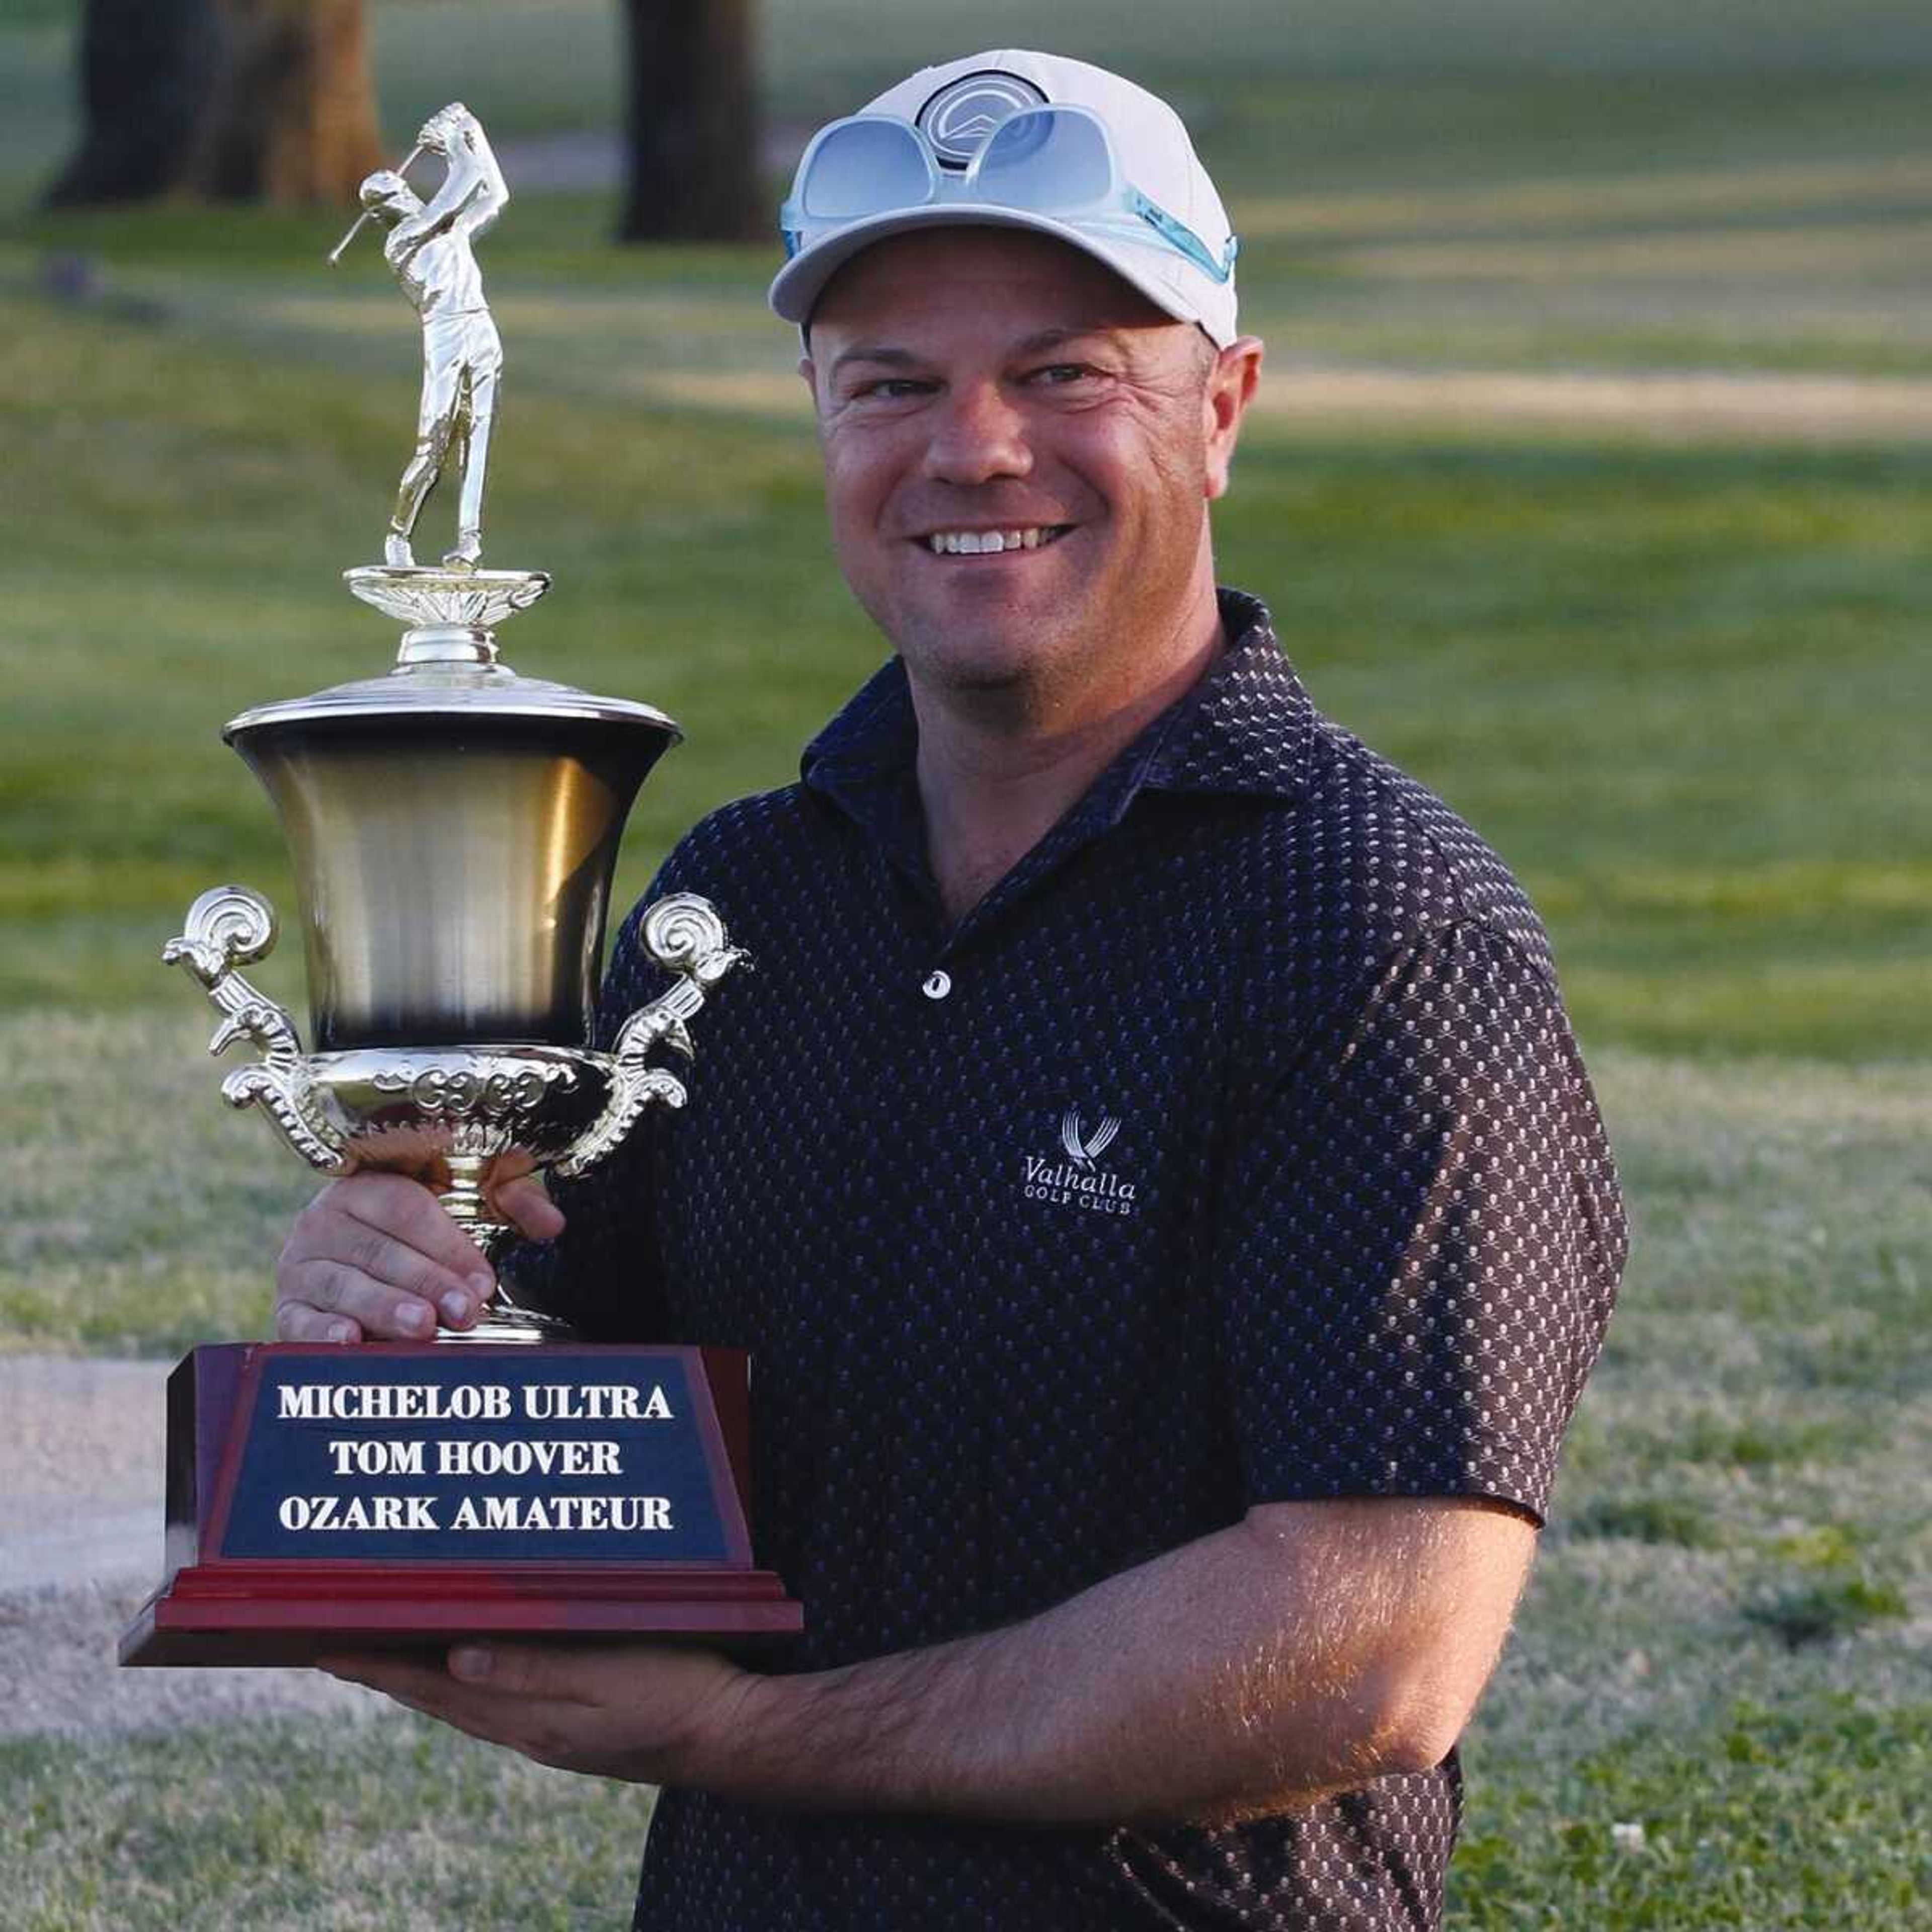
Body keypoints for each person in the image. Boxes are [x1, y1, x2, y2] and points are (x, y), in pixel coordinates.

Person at [279, 50, 1626, 1932]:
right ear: (821, 423)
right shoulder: (743, 901)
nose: (972, 448)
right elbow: (575, 1435)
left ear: (1223, 406)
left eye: (1065, 372)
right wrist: (395, 1300)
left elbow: (1372, 1645)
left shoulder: (1375, 931)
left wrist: (746, 1739)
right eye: (891, 384)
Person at [356, 101, 507, 569]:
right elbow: (461, 186)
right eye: (391, 195)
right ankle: (399, 534)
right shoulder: (403, 241)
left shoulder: (452, 232)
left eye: (399, 186)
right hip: (444, 336)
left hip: (481, 327)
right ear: (383, 212)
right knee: (435, 442)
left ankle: (469, 542)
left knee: (477, 436)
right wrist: (451, 142)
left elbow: (495, 194)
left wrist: (472, 131)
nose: (402, 194)